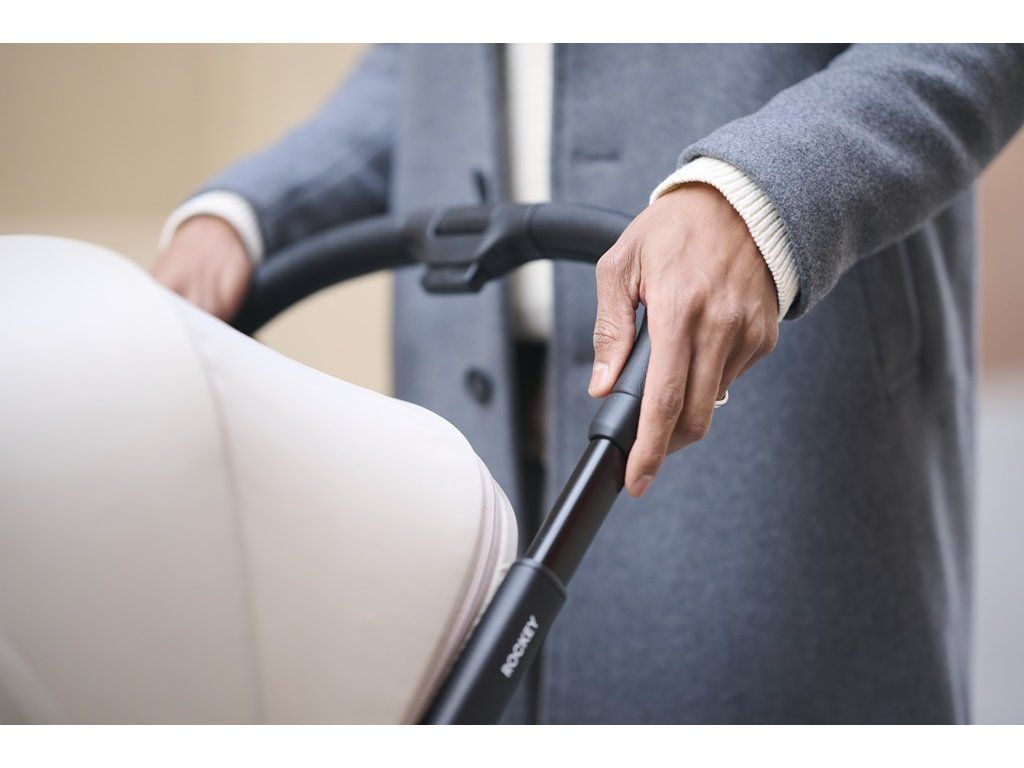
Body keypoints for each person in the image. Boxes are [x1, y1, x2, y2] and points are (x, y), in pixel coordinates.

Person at [153, 44, 1024, 724]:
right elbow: (421, 64)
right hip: (467, 451)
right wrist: (244, 214)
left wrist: (761, 186)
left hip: (773, 433)